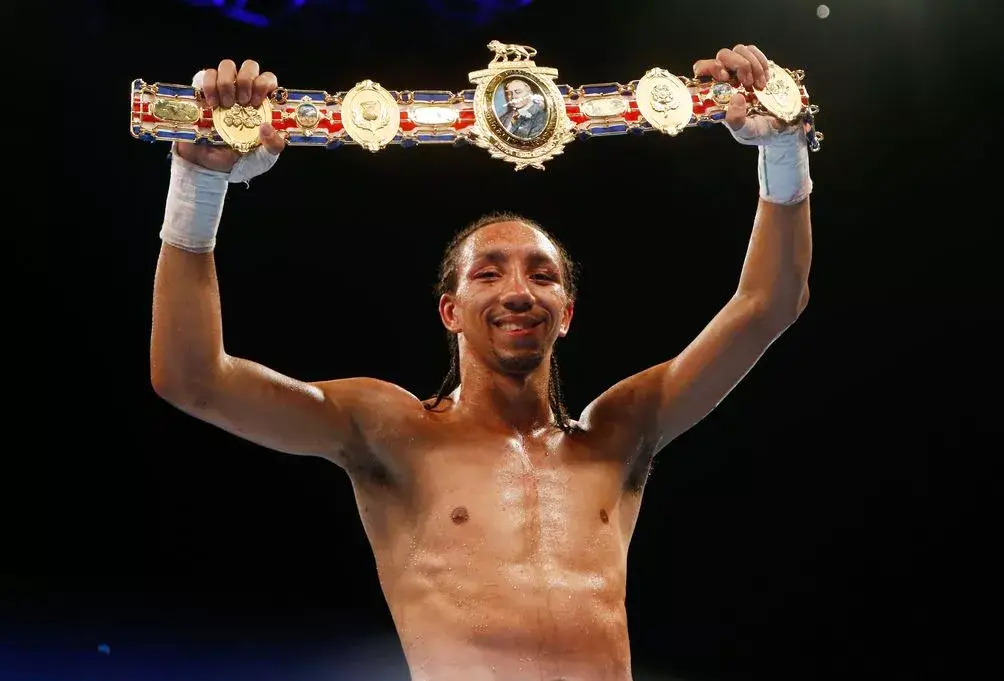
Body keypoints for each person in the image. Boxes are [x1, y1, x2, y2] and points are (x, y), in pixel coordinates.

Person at [151, 43, 812, 681]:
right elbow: (193, 378)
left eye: (542, 274)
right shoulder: (390, 429)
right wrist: (200, 183)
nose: (518, 290)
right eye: (488, 273)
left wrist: (782, 150)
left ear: (567, 310)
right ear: (449, 310)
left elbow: (767, 304)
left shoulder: (620, 431)